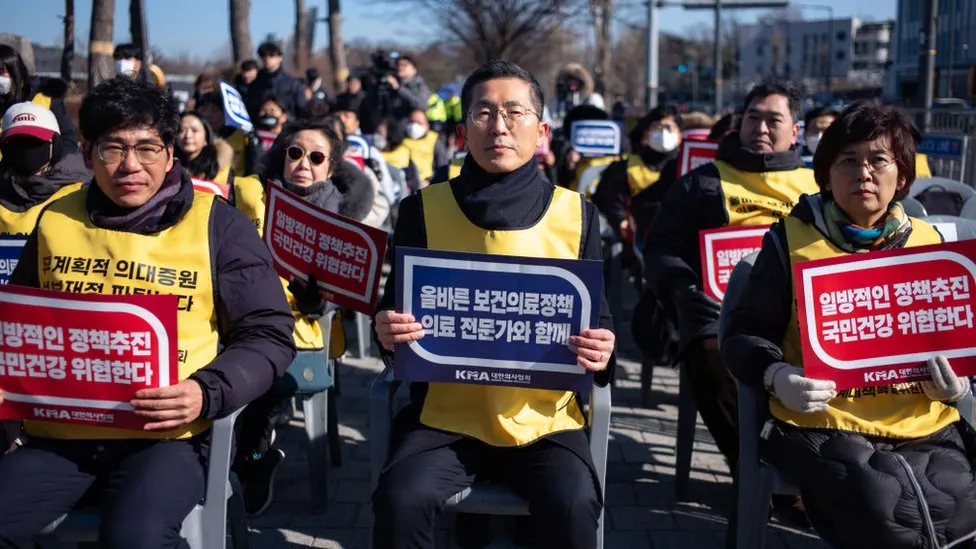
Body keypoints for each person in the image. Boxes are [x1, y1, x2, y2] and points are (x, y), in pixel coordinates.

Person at [0, 76, 295, 548]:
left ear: (171, 153)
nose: (129, 166)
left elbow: (270, 335)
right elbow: (18, 325)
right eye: (113, 149)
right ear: (89, 150)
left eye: (147, 148)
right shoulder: (55, 218)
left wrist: (206, 391)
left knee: (135, 537)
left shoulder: (218, 224)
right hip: (61, 434)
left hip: (170, 438)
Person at [371, 59, 615, 549]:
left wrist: (603, 349)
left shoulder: (578, 215)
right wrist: (386, 332)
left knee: (572, 504)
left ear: (541, 130)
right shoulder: (421, 209)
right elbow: (396, 314)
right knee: (401, 499)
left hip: (544, 420)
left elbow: (600, 321)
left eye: (514, 112)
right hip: (446, 418)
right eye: (483, 113)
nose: (499, 127)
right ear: (463, 130)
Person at [722, 101, 976, 549]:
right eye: (848, 161)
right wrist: (776, 375)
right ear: (825, 174)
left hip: (923, 419)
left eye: (879, 160)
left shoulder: (929, 243)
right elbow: (742, 336)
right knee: (882, 505)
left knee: (959, 498)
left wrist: (959, 386)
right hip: (823, 422)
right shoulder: (789, 241)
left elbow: (958, 335)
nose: (864, 174)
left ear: (902, 175)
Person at [643, 81, 820, 474]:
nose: (760, 128)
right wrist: (683, 289)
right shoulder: (699, 182)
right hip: (716, 313)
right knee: (709, 352)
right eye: (752, 118)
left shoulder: (818, 189)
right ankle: (753, 469)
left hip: (800, 316)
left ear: (795, 131)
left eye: (773, 120)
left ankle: (809, 467)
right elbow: (660, 249)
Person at [234, 119, 345, 516]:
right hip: (243, 322)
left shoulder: (337, 217)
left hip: (302, 331)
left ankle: (255, 462)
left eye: (316, 157)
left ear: (329, 169)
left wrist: (318, 298)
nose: (303, 163)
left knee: (260, 379)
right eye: (294, 153)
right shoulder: (252, 201)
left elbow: (337, 298)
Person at [0, 103, 89, 457]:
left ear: (54, 144)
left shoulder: (82, 195)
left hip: (57, 335)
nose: (25, 150)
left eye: (33, 142)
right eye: (16, 142)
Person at [592, 105, 682, 244]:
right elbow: (609, 198)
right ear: (646, 133)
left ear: (679, 135)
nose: (664, 133)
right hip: (635, 238)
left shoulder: (686, 166)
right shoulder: (626, 167)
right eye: (658, 128)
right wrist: (620, 220)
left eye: (669, 128)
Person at [0, 44, 79, 155]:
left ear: (15, 71)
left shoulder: (44, 98)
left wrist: (55, 167)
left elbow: (69, 139)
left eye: (2, 71)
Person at [249, 42, 306, 119]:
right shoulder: (255, 84)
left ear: (280, 58)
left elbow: (301, 110)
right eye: (263, 56)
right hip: (260, 127)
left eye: (271, 55)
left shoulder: (293, 84)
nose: (267, 58)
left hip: (287, 127)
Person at [401, 109, 447, 188]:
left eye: (419, 123)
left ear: (427, 125)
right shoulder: (402, 141)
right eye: (412, 122)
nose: (414, 126)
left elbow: (443, 169)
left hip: (429, 186)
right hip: (406, 185)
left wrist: (430, 181)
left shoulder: (435, 142)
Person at [392, 55, 431, 121]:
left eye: (404, 65)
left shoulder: (419, 85)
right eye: (398, 65)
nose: (400, 68)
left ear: (414, 69)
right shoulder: (392, 84)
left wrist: (399, 89)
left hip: (411, 126)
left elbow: (421, 105)